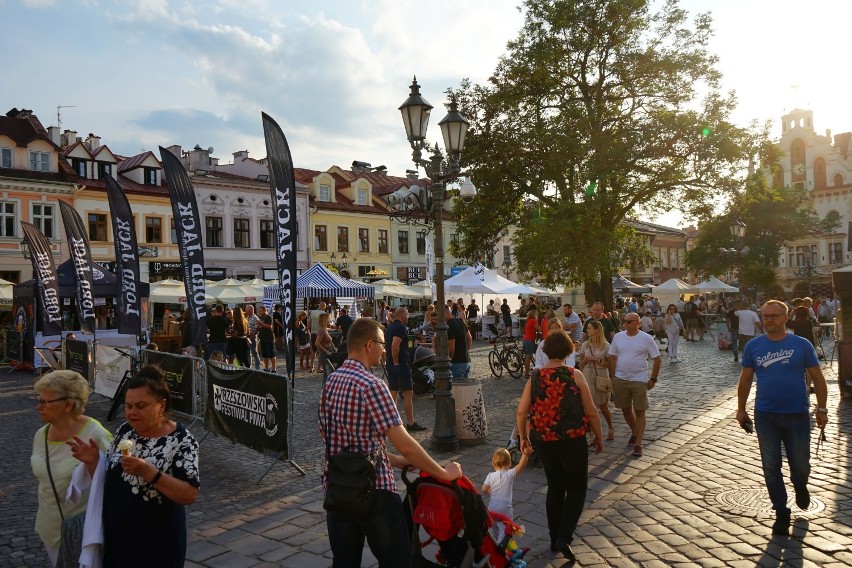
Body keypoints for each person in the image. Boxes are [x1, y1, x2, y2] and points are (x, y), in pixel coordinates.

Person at [319, 318, 462, 566]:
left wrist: (399, 461)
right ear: (369, 344)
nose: (385, 349)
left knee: (344, 561)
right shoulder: (372, 385)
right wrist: (442, 473)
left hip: (338, 486)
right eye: (382, 344)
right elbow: (404, 442)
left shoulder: (331, 382)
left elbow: (344, 442)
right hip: (375, 491)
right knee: (398, 560)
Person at [69, 365, 200, 567]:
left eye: (141, 406)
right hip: (117, 538)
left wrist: (150, 473)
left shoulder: (181, 441)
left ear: (161, 406)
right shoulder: (125, 431)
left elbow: (189, 494)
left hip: (157, 544)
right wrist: (95, 462)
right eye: (128, 406)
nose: (132, 412)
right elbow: (111, 480)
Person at [736, 300, 828, 536]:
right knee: (770, 466)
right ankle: (781, 511)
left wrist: (822, 409)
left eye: (774, 316)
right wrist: (741, 409)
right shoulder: (754, 346)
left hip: (797, 413)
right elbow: (746, 379)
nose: (769, 320)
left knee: (800, 465)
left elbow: (818, 378)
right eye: (765, 316)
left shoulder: (801, 344)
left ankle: (800, 485)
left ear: (786, 318)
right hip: (765, 414)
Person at [515, 331, 603, 562]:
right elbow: (591, 410)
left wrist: (523, 437)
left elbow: (522, 411)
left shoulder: (535, 377)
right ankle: (565, 535)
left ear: (545, 351)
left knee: (555, 487)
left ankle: (554, 537)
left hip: (545, 440)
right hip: (573, 439)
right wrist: (600, 435)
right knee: (577, 489)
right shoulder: (575, 375)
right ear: (568, 351)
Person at [31, 371, 112, 567]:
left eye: (44, 402)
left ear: (68, 405)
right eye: (39, 400)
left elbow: (114, 484)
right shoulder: (41, 435)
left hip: (82, 531)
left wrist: (94, 464)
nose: (38, 407)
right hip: (49, 528)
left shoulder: (96, 434)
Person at [608, 312, 661, 458]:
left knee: (640, 411)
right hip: (620, 379)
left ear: (638, 323)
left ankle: (638, 444)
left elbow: (657, 358)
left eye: (630, 321)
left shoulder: (646, 338)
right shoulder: (618, 337)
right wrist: (612, 377)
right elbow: (612, 357)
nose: (626, 324)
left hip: (639, 379)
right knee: (625, 410)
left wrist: (653, 379)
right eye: (624, 321)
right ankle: (634, 432)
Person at [386, 307, 426, 432]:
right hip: (400, 364)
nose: (408, 318)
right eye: (407, 315)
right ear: (403, 316)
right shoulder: (400, 327)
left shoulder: (390, 327)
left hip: (391, 364)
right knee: (408, 393)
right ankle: (410, 422)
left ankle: (393, 421)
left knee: (394, 392)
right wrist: (397, 361)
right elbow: (394, 345)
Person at [578, 319, 615, 444]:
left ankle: (610, 427)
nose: (587, 330)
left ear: (596, 330)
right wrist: (584, 362)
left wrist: (596, 359)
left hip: (601, 375)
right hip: (588, 375)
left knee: (603, 406)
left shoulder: (606, 346)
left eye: (589, 328)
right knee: (588, 407)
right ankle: (592, 435)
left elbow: (608, 364)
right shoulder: (585, 345)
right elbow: (580, 363)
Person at [482, 447, 529, 539]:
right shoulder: (509, 474)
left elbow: (484, 489)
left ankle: (495, 541)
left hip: (492, 508)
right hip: (505, 508)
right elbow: (521, 465)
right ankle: (502, 547)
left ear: (493, 464)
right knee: (505, 529)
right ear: (509, 464)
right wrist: (525, 454)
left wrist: (489, 491)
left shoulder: (490, 476)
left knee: (494, 526)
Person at [446, 306, 473, 379]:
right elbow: (469, 338)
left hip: (457, 363)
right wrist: (465, 351)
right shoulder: (460, 321)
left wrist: (449, 361)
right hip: (466, 361)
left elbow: (451, 348)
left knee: (457, 388)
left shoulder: (449, 326)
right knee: (465, 388)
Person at [314, 312, 336, 385]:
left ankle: (327, 389)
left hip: (329, 351)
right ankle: (326, 390)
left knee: (329, 373)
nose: (329, 320)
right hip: (325, 354)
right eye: (328, 319)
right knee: (327, 374)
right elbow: (317, 343)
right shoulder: (321, 330)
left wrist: (334, 349)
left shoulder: (325, 329)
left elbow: (330, 341)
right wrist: (326, 351)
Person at [308, 301, 328, 373]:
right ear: (324, 307)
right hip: (320, 333)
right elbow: (325, 326)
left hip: (313, 332)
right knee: (321, 351)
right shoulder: (324, 314)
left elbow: (309, 324)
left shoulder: (312, 313)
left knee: (313, 351)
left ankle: (311, 367)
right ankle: (319, 368)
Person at [256, 306, 276, 372]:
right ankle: (266, 368)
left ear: (265, 310)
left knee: (271, 354)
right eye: (259, 311)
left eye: (261, 311)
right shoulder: (260, 318)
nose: (259, 312)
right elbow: (259, 327)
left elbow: (270, 326)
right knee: (264, 355)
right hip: (262, 338)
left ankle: (273, 368)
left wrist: (261, 324)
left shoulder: (268, 317)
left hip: (268, 338)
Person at [522, 308, 540, 380]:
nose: (537, 315)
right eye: (536, 314)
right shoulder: (533, 321)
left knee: (538, 352)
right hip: (529, 341)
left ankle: (536, 368)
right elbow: (539, 329)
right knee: (528, 356)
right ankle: (526, 373)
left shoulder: (529, 320)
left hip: (528, 340)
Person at [244, 305, 261, 370]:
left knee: (254, 352)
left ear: (251, 310)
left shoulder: (255, 318)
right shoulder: (247, 317)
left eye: (247, 310)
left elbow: (257, 329)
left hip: (252, 337)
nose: (246, 311)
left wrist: (251, 337)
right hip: (247, 337)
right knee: (248, 352)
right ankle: (249, 367)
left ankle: (257, 368)